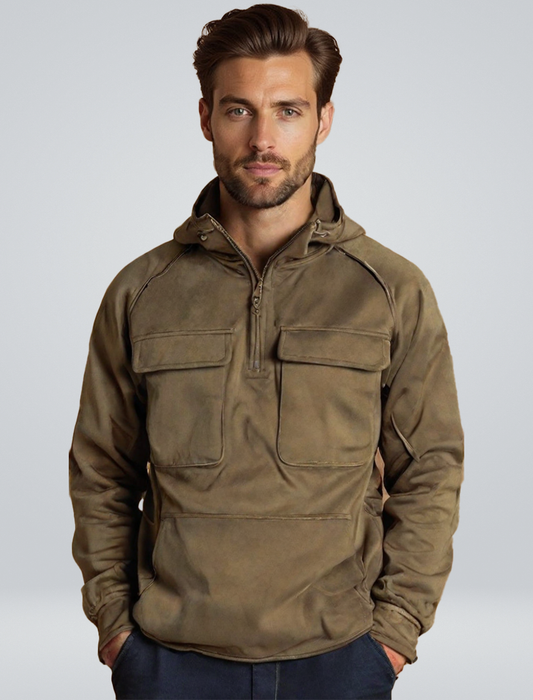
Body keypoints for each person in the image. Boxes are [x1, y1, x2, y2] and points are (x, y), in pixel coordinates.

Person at [69, 5, 464, 699]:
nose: (262, 139)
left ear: (323, 120)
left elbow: (430, 468)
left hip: (341, 656)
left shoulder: (390, 289)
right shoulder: (141, 291)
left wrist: (393, 634)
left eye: (287, 111)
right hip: (169, 659)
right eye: (238, 110)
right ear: (205, 118)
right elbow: (101, 470)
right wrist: (116, 628)